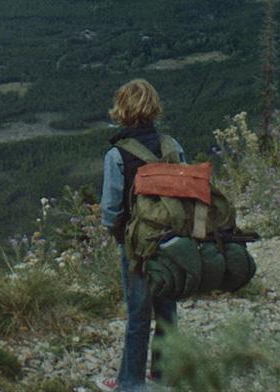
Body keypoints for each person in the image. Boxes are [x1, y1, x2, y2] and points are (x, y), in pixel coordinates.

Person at [100, 78, 181, 390]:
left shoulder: (117, 155)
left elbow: (110, 208)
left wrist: (117, 233)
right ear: (154, 109)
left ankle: (130, 383)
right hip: (173, 240)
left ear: (122, 110)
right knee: (166, 309)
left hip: (137, 245)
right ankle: (164, 375)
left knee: (138, 314)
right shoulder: (172, 146)